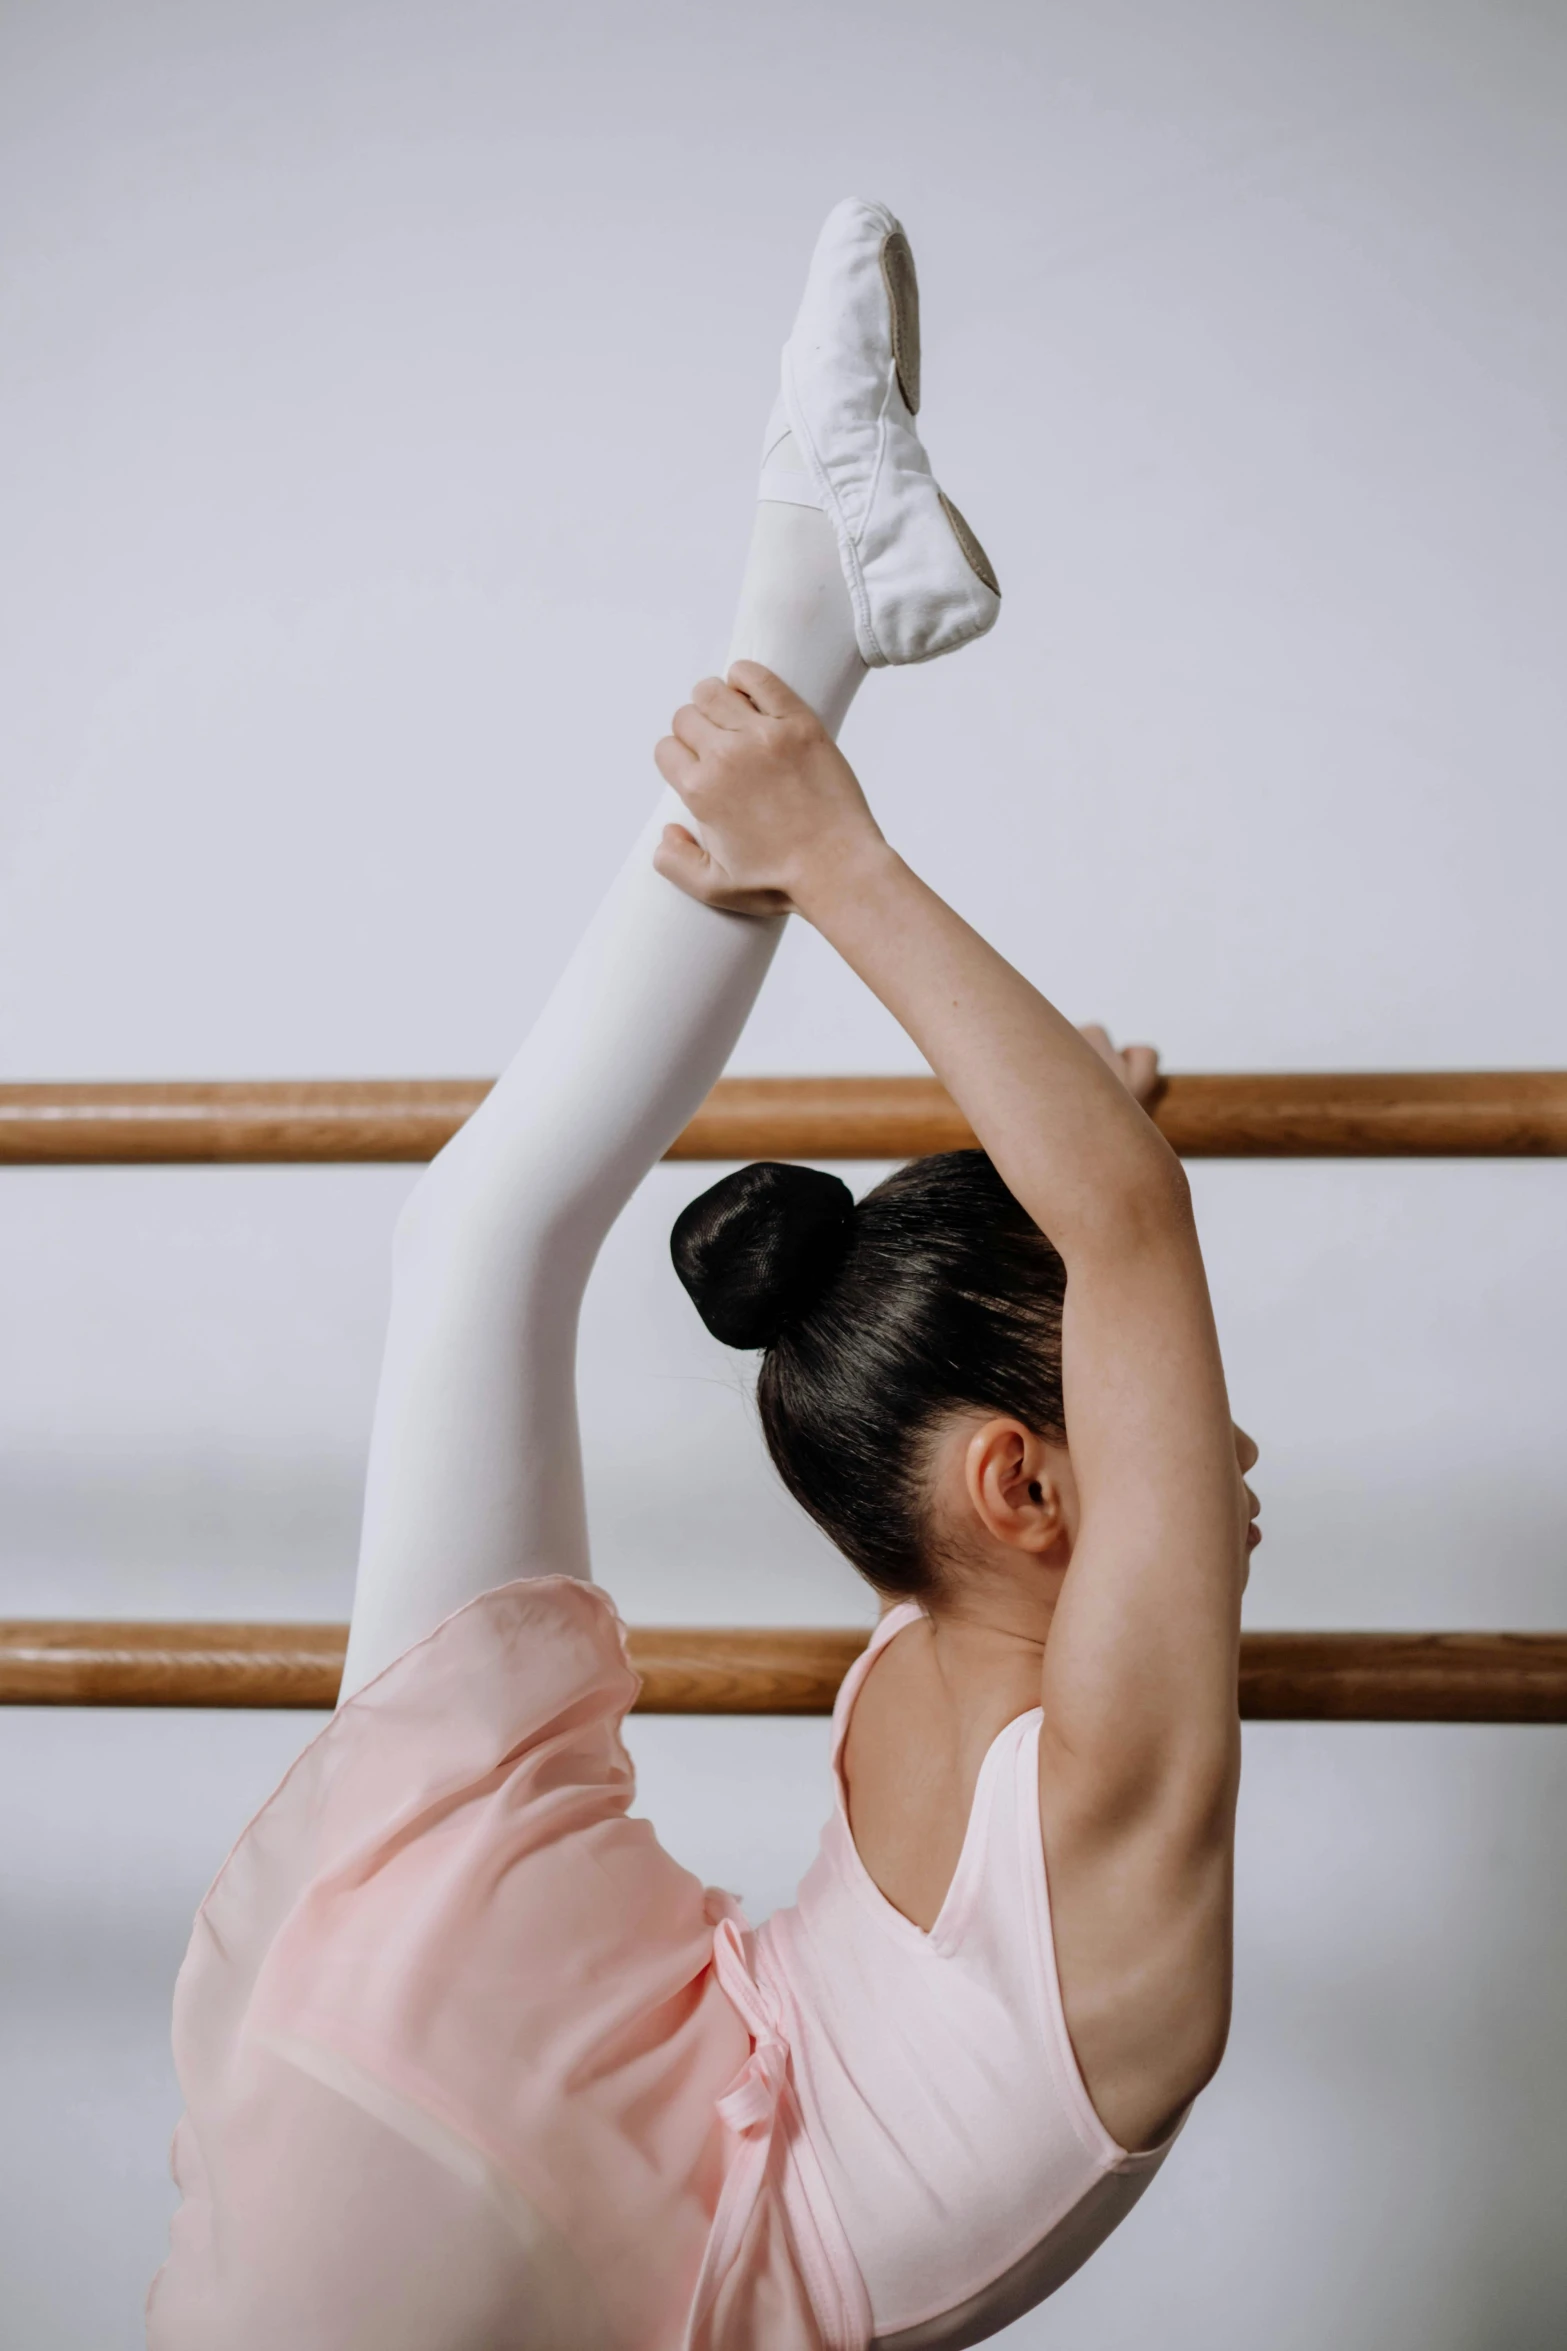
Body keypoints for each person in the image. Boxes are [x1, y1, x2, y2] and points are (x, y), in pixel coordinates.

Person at [147, 199, 1258, 2351]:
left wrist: (843, 858)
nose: (1225, 1435)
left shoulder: (1009, 1681)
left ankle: (813, 599)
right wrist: (1021, 1082)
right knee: (470, 1244)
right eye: (1182, 1413)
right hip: (599, 2149)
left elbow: (1117, 1225)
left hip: (585, 2128)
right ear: (1020, 1488)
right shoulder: (1071, 1728)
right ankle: (814, 583)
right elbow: (1115, 1224)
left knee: (478, 1240)